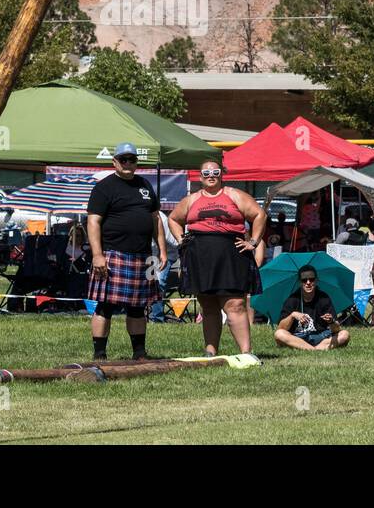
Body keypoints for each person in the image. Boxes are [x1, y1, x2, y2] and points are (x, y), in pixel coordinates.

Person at [169, 159, 265, 355]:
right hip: (200, 255)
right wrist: (182, 240)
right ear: (200, 176)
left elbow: (259, 215)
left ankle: (246, 353)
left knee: (235, 304)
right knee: (208, 303)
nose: (211, 176)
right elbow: (173, 219)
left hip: (231, 254)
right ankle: (210, 352)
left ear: (221, 174)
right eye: (206, 173)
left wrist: (253, 242)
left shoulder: (234, 195)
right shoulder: (192, 199)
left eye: (215, 172)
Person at [86, 142, 166, 360]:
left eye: (132, 160)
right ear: (115, 162)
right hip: (113, 254)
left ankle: (139, 353)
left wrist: (162, 249)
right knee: (105, 306)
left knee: (138, 307)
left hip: (141, 255)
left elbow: (155, 218)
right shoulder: (104, 187)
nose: (128, 163)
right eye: (123, 160)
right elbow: (93, 222)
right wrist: (97, 255)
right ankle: (99, 353)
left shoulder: (145, 184)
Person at [274, 266, 349, 350]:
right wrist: (293, 315)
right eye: (304, 280)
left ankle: (309, 348)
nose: (308, 282)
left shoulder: (323, 298)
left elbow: (336, 329)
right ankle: (315, 350)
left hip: (321, 336)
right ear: (300, 282)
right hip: (298, 337)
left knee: (344, 334)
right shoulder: (292, 299)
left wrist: (331, 322)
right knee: (279, 334)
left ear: (316, 280)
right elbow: (281, 328)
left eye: (311, 279)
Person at [148, 208, 179, 322]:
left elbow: (175, 243)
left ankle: (156, 318)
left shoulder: (161, 218)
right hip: (147, 253)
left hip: (167, 253)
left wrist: (162, 254)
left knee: (158, 282)